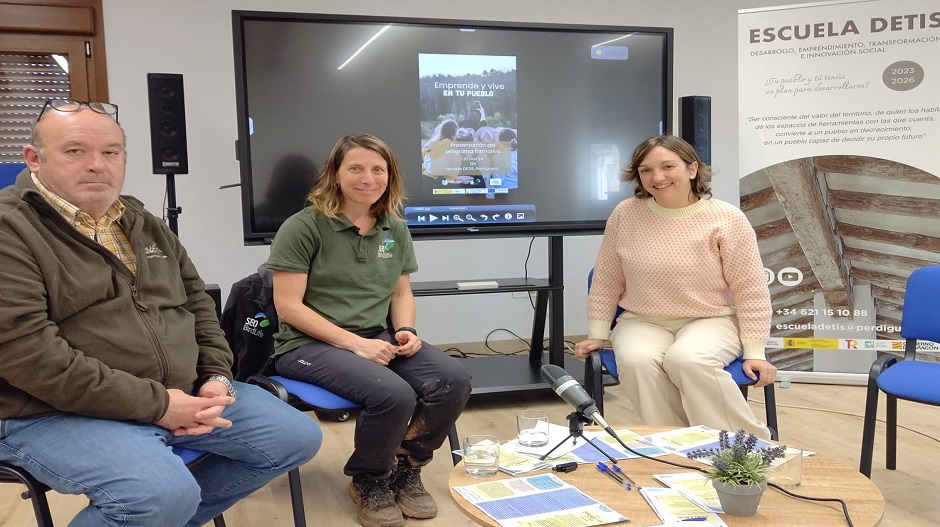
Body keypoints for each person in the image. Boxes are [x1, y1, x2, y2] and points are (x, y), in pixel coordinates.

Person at [0, 99, 323, 527]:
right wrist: (157, 406)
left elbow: (198, 306)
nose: (97, 165)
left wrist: (216, 378)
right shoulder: (11, 230)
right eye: (75, 151)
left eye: (111, 152)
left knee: (295, 437)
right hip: (48, 410)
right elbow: (28, 356)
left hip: (179, 391)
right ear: (34, 159)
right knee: (158, 495)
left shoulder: (140, 220)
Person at [266, 134, 471, 527]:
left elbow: (400, 291)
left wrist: (406, 329)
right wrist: (356, 344)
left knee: (454, 379)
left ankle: (406, 469)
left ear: (389, 176)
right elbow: (287, 307)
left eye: (378, 169)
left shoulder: (393, 227)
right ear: (335, 174)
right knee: (392, 393)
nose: (368, 178)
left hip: (374, 336)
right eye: (356, 168)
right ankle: (370, 480)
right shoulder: (303, 226)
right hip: (305, 345)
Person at [574, 134, 776, 440]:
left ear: (692, 169)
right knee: (638, 361)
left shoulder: (726, 218)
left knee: (687, 359)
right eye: (646, 170)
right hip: (642, 320)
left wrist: (755, 351)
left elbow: (751, 289)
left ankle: (747, 448)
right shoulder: (625, 214)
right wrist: (598, 334)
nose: (657, 177)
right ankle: (674, 445)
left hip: (711, 319)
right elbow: (607, 278)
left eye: (668, 166)